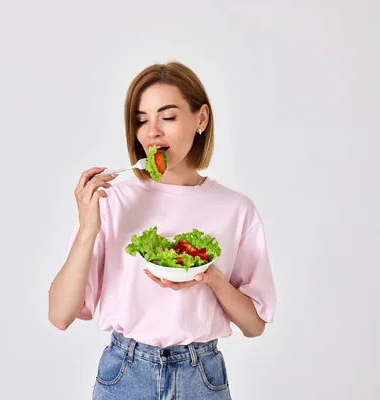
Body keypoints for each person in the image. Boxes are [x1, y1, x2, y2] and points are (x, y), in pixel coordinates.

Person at [48, 61, 277, 400]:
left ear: (201, 119)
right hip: (126, 374)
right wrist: (87, 229)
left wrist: (211, 278)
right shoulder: (113, 200)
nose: (151, 132)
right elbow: (60, 315)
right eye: (141, 120)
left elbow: (254, 325)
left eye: (167, 117)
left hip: (202, 376)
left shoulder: (236, 208)